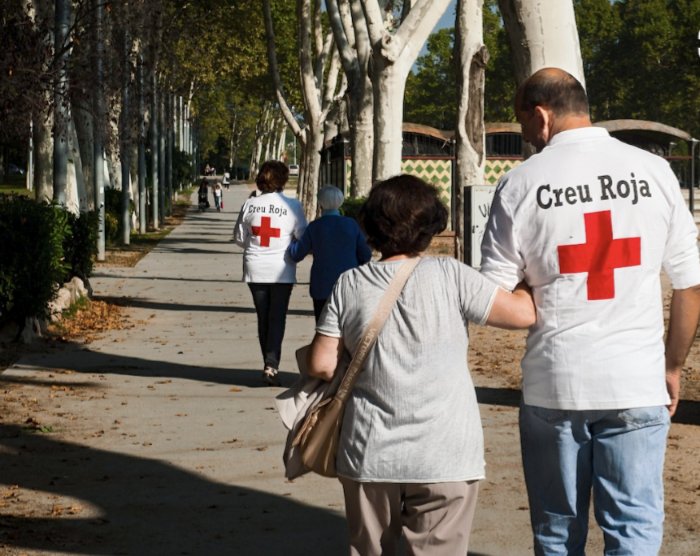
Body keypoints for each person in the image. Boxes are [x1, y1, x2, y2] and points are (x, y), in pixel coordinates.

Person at [480, 67, 700, 555]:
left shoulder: (519, 183)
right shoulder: (654, 171)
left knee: (558, 533)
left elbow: (492, 298)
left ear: (541, 116)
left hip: (556, 382)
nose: (525, 137)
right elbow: (690, 286)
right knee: (635, 527)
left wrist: (536, 288)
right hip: (637, 379)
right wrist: (671, 365)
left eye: (522, 124)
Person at [307, 174, 536, 555]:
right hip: (445, 453)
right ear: (430, 228)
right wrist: (528, 275)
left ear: (369, 226)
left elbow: (320, 364)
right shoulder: (452, 275)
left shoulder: (350, 283)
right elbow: (521, 314)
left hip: (370, 452)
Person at [234, 160, 307, 386]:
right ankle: (271, 364)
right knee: (277, 317)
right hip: (282, 270)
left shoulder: (250, 205)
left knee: (263, 316)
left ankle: (268, 361)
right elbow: (302, 236)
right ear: (283, 180)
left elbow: (239, 239)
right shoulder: (292, 206)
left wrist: (253, 242)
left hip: (255, 268)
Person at [288, 185, 372, 322]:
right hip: (349, 285)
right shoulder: (351, 224)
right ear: (341, 202)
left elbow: (296, 254)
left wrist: (291, 240)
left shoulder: (315, 227)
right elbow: (366, 255)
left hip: (322, 286)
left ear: (320, 203)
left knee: (324, 328)